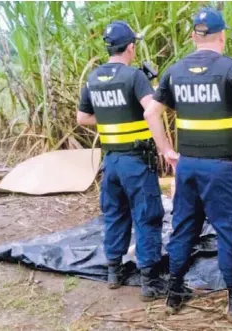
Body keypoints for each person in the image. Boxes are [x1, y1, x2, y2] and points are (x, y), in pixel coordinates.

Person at [142, 7, 232, 319]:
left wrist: (166, 150)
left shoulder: (175, 71)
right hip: (221, 168)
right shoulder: (231, 69)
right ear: (222, 35)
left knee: (184, 226)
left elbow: (150, 112)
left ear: (193, 37)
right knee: (229, 230)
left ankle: (174, 292)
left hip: (187, 167)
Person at [76, 21, 170, 302]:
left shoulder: (93, 79)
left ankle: (114, 272)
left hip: (111, 162)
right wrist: (166, 149)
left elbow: (82, 118)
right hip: (137, 162)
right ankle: (149, 281)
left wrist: (111, 119)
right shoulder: (134, 77)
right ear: (130, 47)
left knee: (115, 214)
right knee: (147, 215)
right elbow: (151, 111)